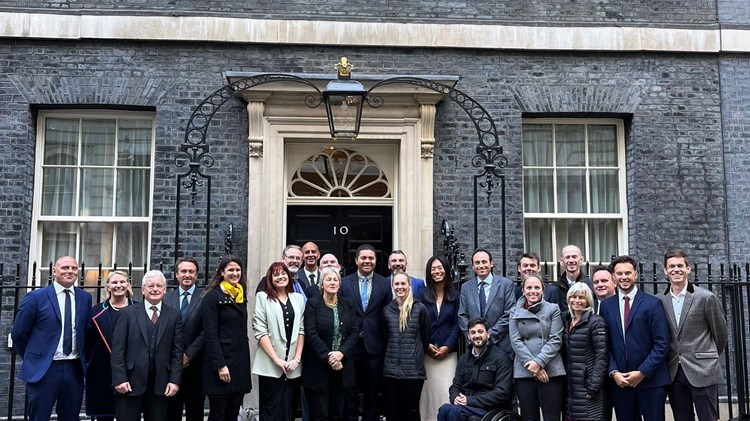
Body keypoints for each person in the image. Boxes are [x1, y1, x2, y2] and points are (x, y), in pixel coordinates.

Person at [12, 256, 92, 421]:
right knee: (39, 417)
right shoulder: (36, 297)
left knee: (70, 417)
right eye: (64, 268)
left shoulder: (85, 298)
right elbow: (18, 333)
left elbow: (86, 332)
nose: (70, 271)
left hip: (73, 369)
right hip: (44, 370)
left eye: (74, 268)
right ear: (54, 271)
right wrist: (34, 357)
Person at [658, 249, 728, 421]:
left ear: (688, 269)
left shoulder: (706, 298)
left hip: (703, 370)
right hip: (674, 372)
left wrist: (707, 356)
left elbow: (721, 334)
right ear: (665, 271)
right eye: (671, 266)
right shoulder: (659, 300)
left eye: (680, 266)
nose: (676, 269)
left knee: (708, 418)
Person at [599, 255, 670, 421]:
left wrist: (642, 372)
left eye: (628, 273)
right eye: (619, 273)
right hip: (620, 383)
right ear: (614, 277)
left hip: (651, 381)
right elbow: (604, 345)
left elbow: (662, 344)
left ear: (635, 275)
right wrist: (614, 372)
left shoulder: (653, 304)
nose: (624, 277)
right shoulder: (606, 306)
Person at [111, 270, 183, 421]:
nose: (155, 289)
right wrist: (120, 379)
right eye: (150, 286)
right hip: (130, 383)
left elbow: (177, 352)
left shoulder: (174, 315)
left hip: (161, 384)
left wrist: (174, 380)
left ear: (165, 289)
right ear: (143, 290)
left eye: (159, 286)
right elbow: (117, 350)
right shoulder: (127, 314)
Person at [340, 244, 392, 421]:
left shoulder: (385, 283)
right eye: (363, 258)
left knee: (372, 392)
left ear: (376, 261)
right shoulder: (344, 283)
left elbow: (388, 313)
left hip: (375, 347)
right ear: (356, 261)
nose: (367, 261)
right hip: (350, 347)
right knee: (350, 390)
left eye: (371, 258)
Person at [303, 267, 360, 420]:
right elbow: (311, 333)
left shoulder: (347, 304)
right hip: (318, 367)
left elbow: (354, 332)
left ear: (340, 285)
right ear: (321, 284)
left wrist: (341, 353)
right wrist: (329, 357)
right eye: (328, 279)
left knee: (338, 412)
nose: (332, 282)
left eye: (335, 280)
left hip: (342, 367)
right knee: (319, 413)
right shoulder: (312, 304)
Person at [252, 261, 306, 421]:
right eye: (276, 275)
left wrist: (297, 358)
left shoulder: (298, 298)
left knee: (289, 410)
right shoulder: (263, 297)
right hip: (270, 365)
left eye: (283, 274)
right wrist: (277, 360)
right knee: (271, 411)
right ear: (270, 279)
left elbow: (301, 330)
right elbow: (260, 330)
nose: (281, 277)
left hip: (293, 367)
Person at [202, 255, 252, 421]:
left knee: (232, 414)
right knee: (218, 415)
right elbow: (210, 334)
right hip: (221, 365)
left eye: (238, 270)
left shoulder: (240, 296)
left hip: (239, 365)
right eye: (231, 270)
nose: (235, 273)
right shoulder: (212, 298)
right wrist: (220, 365)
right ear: (222, 272)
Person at [509, 274, 566, 421]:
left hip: (551, 370)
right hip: (524, 371)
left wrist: (539, 363)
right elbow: (516, 341)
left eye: (536, 287)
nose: (532, 291)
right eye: (529, 287)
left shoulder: (553, 309)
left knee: (552, 417)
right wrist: (532, 365)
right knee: (528, 417)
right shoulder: (514, 312)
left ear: (543, 290)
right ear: (523, 290)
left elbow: (555, 339)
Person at [437, 317, 514, 421]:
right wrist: (455, 398)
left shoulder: (501, 358)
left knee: (454, 411)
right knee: (444, 409)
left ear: (488, 334)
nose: (476, 335)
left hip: (490, 408)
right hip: (467, 406)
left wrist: (469, 401)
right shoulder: (464, 359)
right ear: (468, 336)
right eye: (473, 332)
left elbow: (502, 393)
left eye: (480, 332)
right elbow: (455, 386)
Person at [85, 270, 136, 421]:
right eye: (114, 282)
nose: (118, 285)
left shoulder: (140, 309)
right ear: (107, 287)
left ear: (128, 285)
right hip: (102, 374)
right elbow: (87, 343)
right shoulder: (95, 312)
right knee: (104, 416)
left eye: (122, 282)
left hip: (132, 374)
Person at [383, 273, 431, 421]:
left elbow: (425, 337)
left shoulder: (420, 309)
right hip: (391, 371)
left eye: (403, 284)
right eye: (396, 284)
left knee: (411, 411)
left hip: (413, 372)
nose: (400, 287)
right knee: (393, 411)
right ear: (392, 286)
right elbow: (386, 337)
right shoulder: (387, 310)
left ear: (409, 286)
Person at [164, 257, 205, 421]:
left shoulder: (205, 297)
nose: (187, 275)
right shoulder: (167, 298)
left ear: (196, 275)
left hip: (196, 366)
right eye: (183, 271)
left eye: (191, 272)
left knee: (195, 412)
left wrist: (188, 354)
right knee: (171, 413)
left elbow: (207, 331)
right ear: (176, 275)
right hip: (171, 367)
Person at [420, 256, 460, 421]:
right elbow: (418, 322)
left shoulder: (456, 295)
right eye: (433, 269)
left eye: (440, 268)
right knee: (428, 394)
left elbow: (458, 323)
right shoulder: (421, 294)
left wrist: (448, 346)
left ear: (446, 269)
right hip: (427, 353)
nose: (437, 271)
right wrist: (427, 344)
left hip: (448, 354)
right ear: (429, 272)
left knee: (446, 391)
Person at [563, 282, 609, 421]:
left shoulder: (595, 322)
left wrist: (593, 386)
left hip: (588, 387)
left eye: (581, 298)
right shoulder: (567, 321)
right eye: (574, 297)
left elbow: (601, 356)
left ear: (588, 300)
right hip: (570, 388)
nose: (577, 301)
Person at [458, 248, 515, 357]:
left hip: (500, 345)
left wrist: (489, 335)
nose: (481, 265)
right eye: (477, 263)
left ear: (491, 263)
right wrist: (474, 336)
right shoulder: (466, 287)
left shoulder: (506, 284)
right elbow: (462, 315)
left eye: (484, 262)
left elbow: (509, 313)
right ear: (473, 266)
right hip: (475, 347)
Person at [555, 245, 594, 315]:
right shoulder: (555, 288)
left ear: (581, 260)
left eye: (574, 257)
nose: (571, 260)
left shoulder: (590, 286)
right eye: (567, 257)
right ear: (561, 261)